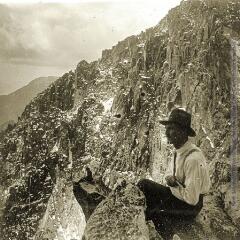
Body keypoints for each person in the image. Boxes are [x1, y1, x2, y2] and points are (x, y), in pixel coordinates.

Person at [137, 108, 211, 237]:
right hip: (178, 197)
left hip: (189, 208)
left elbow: (192, 199)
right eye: (167, 129)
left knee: (154, 212)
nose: (166, 133)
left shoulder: (193, 159)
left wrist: (175, 183)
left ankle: (169, 236)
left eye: (171, 129)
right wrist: (170, 179)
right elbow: (168, 173)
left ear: (183, 132)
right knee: (144, 184)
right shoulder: (179, 151)